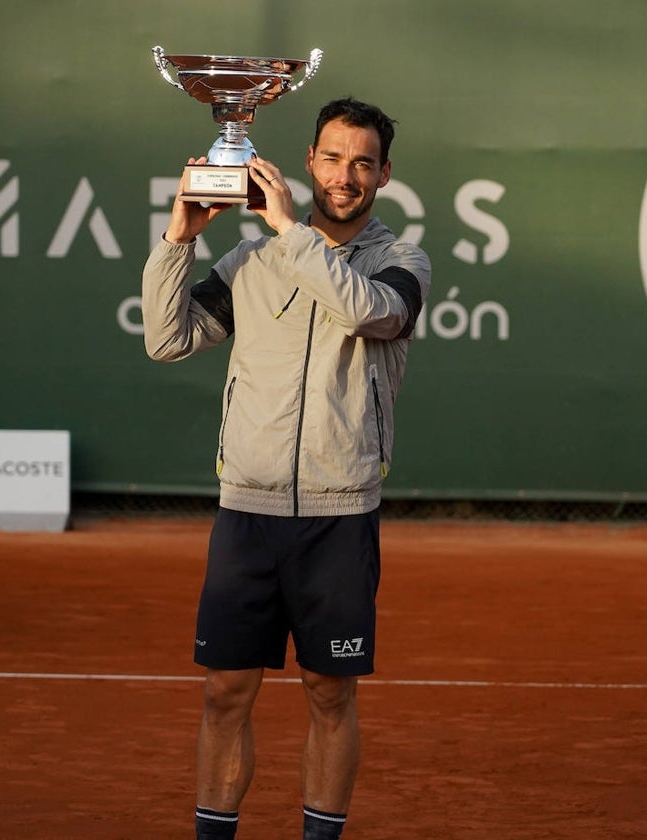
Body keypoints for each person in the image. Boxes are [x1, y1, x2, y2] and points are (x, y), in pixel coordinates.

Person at [141, 97, 431, 840]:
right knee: (224, 692)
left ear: (384, 175)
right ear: (309, 161)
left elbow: (371, 313)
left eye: (363, 162)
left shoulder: (401, 263)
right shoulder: (252, 262)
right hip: (248, 512)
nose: (346, 175)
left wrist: (290, 232)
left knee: (330, 694)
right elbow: (167, 339)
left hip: (340, 514)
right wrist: (179, 236)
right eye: (333, 158)